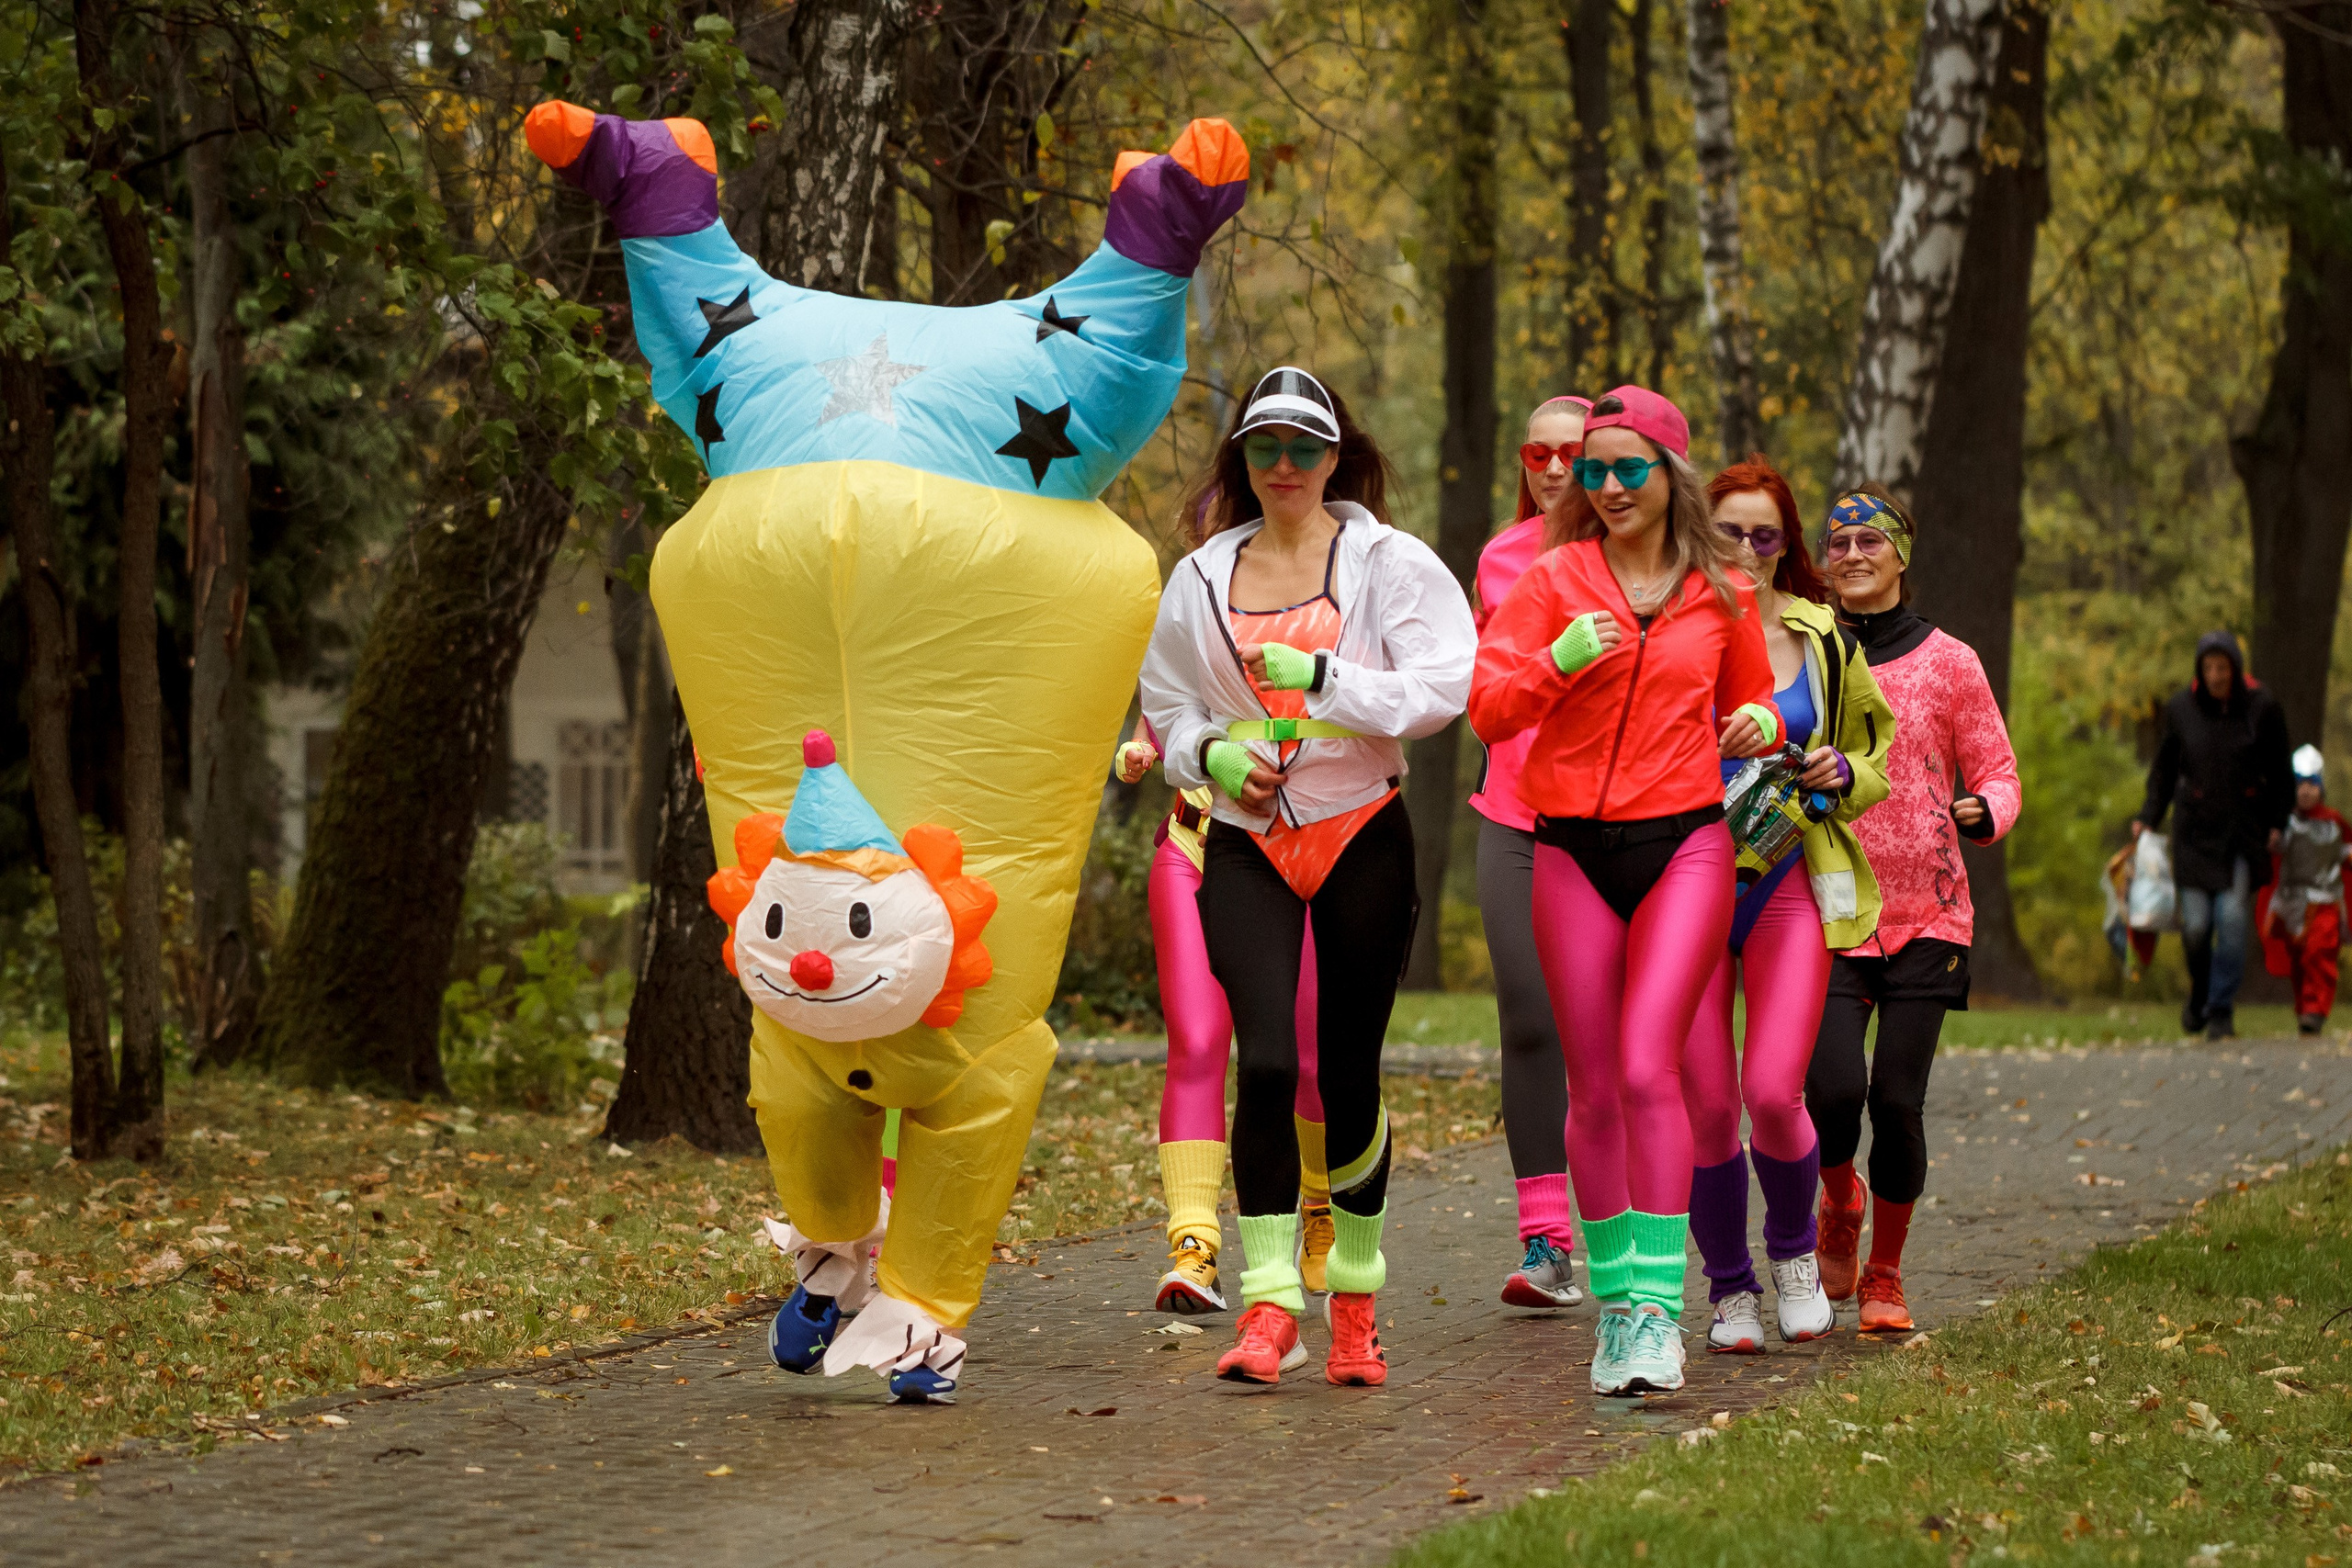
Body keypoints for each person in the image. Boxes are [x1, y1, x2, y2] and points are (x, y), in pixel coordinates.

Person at [1139, 367, 1476, 1388]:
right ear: (1241, 459)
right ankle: (1270, 1305)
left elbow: (1443, 685)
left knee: (1348, 1069)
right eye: (1265, 447)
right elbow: (1167, 710)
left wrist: (1331, 682)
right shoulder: (1199, 575)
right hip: (1245, 837)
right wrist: (1212, 758)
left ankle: (1359, 1303)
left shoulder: (1390, 563)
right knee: (1271, 1064)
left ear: (1337, 457)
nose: (1284, 466)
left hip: (1359, 828)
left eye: (1304, 447)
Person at [1470, 387, 1782, 1395]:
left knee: (1652, 1068)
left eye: (1622, 468)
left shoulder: (1722, 590)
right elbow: (1486, 708)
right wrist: (1555, 663)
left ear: (1668, 473)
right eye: (1589, 470)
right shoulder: (1554, 577)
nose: (1600, 485)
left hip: (1684, 842)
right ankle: (1617, 1306)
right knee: (1593, 1082)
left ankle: (1657, 1312)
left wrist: (1760, 730)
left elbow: (1751, 702)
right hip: (1567, 847)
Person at [1682, 458, 1895, 1355]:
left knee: (1772, 1091)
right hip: (1682, 894)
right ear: (1700, 535)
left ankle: (1794, 1255)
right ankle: (1729, 1290)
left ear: (1787, 544)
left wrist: (1842, 772)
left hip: (1786, 886)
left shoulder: (1823, 639)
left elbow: (1873, 756)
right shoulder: (1669, 628)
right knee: (1702, 1106)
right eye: (1727, 531)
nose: (1745, 549)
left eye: (1763, 534)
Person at [1804, 487, 2021, 1335]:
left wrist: (1983, 810)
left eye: (1870, 540)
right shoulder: (1808, 652)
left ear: (1902, 554)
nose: (1852, 554)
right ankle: (1837, 1201)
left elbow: (2000, 771)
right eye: (1838, 542)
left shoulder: (1951, 661)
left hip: (1929, 910)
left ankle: (1886, 1272)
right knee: (1829, 1088)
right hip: (1829, 904)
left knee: (1896, 1098)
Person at [1111, 728, 1332, 1312]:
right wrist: (1137, 753)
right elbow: (1157, 719)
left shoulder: (1302, 638)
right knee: (1198, 1042)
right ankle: (1194, 1245)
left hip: (1296, 856)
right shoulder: (1186, 632)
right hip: (1194, 845)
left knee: (1307, 1061)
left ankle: (1318, 1208)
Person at [1471, 392, 1593, 1308]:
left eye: (1572, 453)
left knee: (1616, 1040)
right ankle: (1545, 1242)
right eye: (1535, 453)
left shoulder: (1633, 561)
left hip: (1611, 821)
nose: (1550, 469)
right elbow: (1492, 683)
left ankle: (1637, 1235)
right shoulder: (1500, 559)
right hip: (1513, 812)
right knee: (1526, 1015)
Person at [2132, 630, 2295, 1040]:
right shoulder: (2182, 709)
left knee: (2233, 919)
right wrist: (2149, 816)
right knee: (2197, 927)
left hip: (2243, 834)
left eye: (2223, 668)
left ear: (2235, 670)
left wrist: (2278, 823)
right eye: (2208, 668)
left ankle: (2220, 1010)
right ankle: (2201, 992)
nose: (2215, 676)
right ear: (2199, 671)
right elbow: (2165, 770)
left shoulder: (2262, 708)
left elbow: (2281, 774)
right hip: (2193, 834)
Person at [2257, 745, 2349, 1035]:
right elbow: (2275, 849)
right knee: (2299, 960)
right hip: (2291, 903)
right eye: (2300, 785)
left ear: (2320, 787)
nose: (2306, 791)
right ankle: (2305, 1008)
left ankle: (2316, 1009)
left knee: (2319, 954)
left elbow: (2345, 851)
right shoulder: (2285, 822)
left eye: (2311, 784)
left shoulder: (2334, 822)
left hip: (2326, 902)